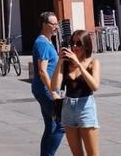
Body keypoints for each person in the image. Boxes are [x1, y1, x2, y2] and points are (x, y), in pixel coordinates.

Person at [49, 29, 101, 156]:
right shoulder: (66, 64)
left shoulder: (93, 62)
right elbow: (54, 86)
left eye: (78, 44)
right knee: (76, 154)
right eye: (72, 43)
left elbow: (95, 86)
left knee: (92, 153)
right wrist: (60, 62)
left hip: (86, 107)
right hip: (68, 108)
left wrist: (78, 64)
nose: (74, 47)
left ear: (86, 45)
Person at [31, 11, 65, 156]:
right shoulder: (42, 43)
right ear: (45, 25)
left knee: (51, 125)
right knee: (61, 124)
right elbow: (42, 71)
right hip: (46, 89)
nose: (56, 27)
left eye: (57, 23)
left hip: (46, 88)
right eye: (53, 24)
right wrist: (52, 91)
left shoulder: (48, 41)